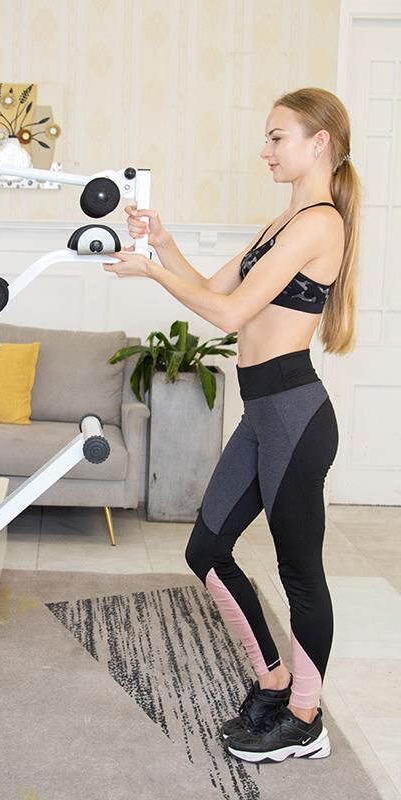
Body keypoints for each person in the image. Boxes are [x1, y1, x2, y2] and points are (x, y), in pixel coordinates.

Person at [104, 87, 360, 763]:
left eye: (277, 137)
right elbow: (217, 292)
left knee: (299, 570)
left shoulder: (320, 223)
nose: (265, 150)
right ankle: (274, 683)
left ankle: (305, 718)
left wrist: (150, 272)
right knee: (206, 551)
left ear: (319, 143)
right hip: (262, 414)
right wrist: (163, 245)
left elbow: (227, 315)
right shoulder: (283, 222)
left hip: (295, 418)